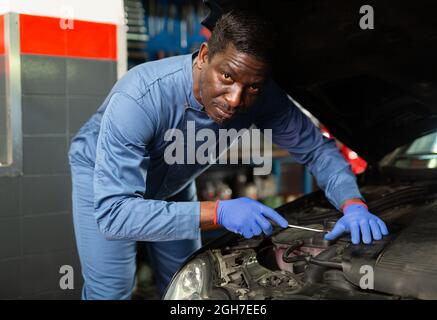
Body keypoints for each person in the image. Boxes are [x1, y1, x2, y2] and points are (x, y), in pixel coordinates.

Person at [68, 11, 388, 300]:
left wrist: (352, 203)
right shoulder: (139, 97)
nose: (236, 100)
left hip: (176, 180)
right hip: (103, 182)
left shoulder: (263, 97)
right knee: (110, 291)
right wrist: (220, 212)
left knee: (189, 281)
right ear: (204, 56)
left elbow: (317, 150)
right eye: (227, 77)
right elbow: (114, 215)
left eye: (252, 87)